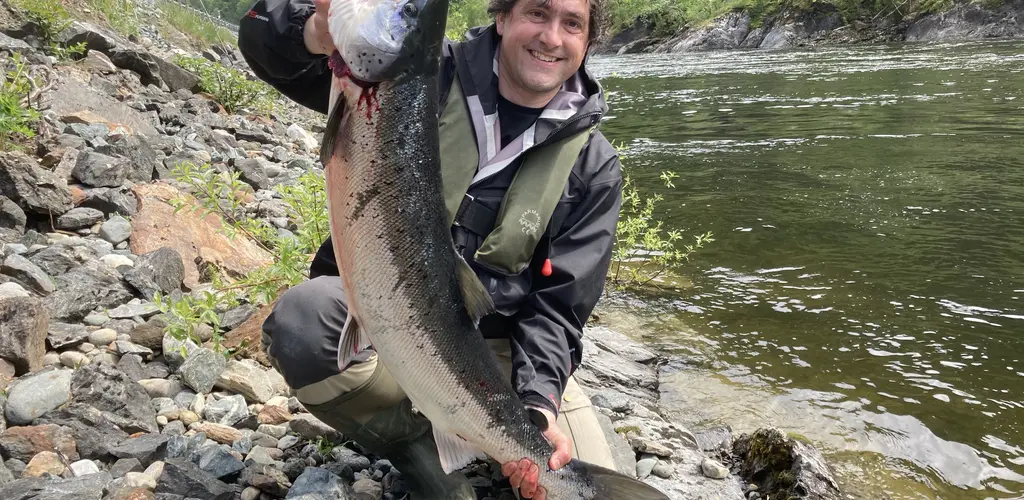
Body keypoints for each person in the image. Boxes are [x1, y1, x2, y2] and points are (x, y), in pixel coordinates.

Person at [237, 0, 623, 497]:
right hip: (387, 322)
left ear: (587, 41)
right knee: (304, 324)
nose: (551, 37)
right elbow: (264, 43)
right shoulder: (414, 75)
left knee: (573, 481)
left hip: (502, 358)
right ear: (502, 17)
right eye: (536, 13)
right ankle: (425, 457)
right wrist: (314, 29)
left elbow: (559, 311)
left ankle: (490, 440)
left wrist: (539, 405)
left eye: (572, 24)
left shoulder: (593, 166)